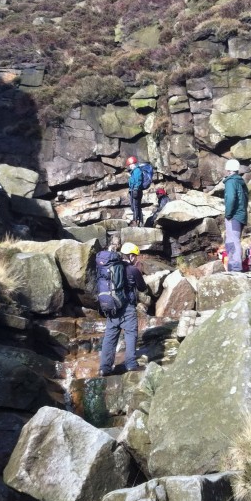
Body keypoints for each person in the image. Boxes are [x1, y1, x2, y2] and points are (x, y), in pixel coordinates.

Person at [99, 241, 147, 376]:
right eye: (135, 256)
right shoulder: (133, 269)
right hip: (127, 308)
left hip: (111, 307)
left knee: (110, 337)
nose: (136, 259)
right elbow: (143, 288)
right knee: (131, 333)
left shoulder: (111, 267)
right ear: (131, 256)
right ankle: (131, 364)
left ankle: (104, 368)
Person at [223, 159, 249, 273]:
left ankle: (235, 267)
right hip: (241, 215)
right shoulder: (240, 181)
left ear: (228, 170)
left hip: (234, 216)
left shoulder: (231, 182)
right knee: (233, 240)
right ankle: (233, 265)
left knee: (233, 240)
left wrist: (228, 214)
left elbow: (231, 198)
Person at [126, 155, 143, 226]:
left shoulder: (137, 170)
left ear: (133, 164)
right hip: (133, 190)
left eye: (130, 165)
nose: (129, 166)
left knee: (135, 206)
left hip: (136, 190)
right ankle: (141, 221)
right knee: (135, 206)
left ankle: (135, 221)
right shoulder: (133, 172)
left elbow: (138, 180)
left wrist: (136, 188)